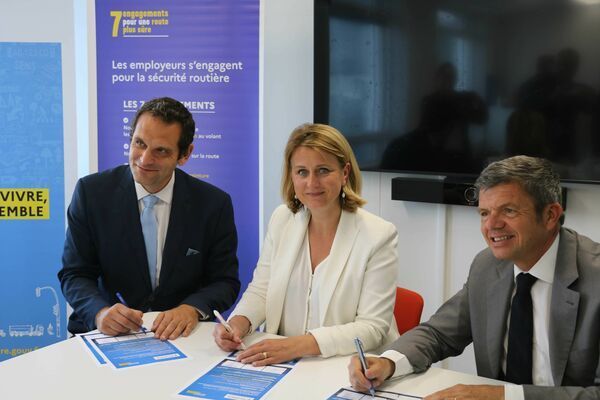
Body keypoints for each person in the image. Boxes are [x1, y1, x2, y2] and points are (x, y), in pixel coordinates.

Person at [349, 155, 600, 399]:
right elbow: (439, 334)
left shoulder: (594, 277)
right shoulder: (487, 266)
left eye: (508, 211)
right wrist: (388, 362)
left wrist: (504, 396)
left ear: (550, 215)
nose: (492, 225)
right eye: (484, 213)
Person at [213, 123, 400, 365]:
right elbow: (262, 290)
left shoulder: (378, 235)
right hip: (285, 365)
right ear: (291, 176)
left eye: (323, 170)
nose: (312, 183)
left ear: (344, 173)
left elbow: (372, 328)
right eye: (302, 172)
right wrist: (239, 322)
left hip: (350, 368)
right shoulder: (282, 219)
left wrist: (296, 346)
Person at [58, 97, 240, 340]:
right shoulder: (91, 193)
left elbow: (224, 281)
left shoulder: (213, 204)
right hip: (106, 334)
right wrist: (100, 313)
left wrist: (191, 309)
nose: (144, 159)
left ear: (185, 154)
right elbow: (75, 273)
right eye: (139, 143)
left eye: (161, 151)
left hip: (181, 337)